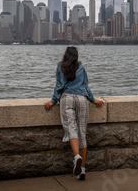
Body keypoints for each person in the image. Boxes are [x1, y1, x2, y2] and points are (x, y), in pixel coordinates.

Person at [44, 46, 104, 180]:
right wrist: (93, 100)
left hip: (67, 99)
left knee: (71, 128)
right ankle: (82, 169)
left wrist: (53, 101)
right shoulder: (81, 68)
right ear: (76, 56)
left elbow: (58, 85)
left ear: (65, 55)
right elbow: (86, 85)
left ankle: (76, 156)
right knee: (82, 132)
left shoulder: (61, 67)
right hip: (82, 99)